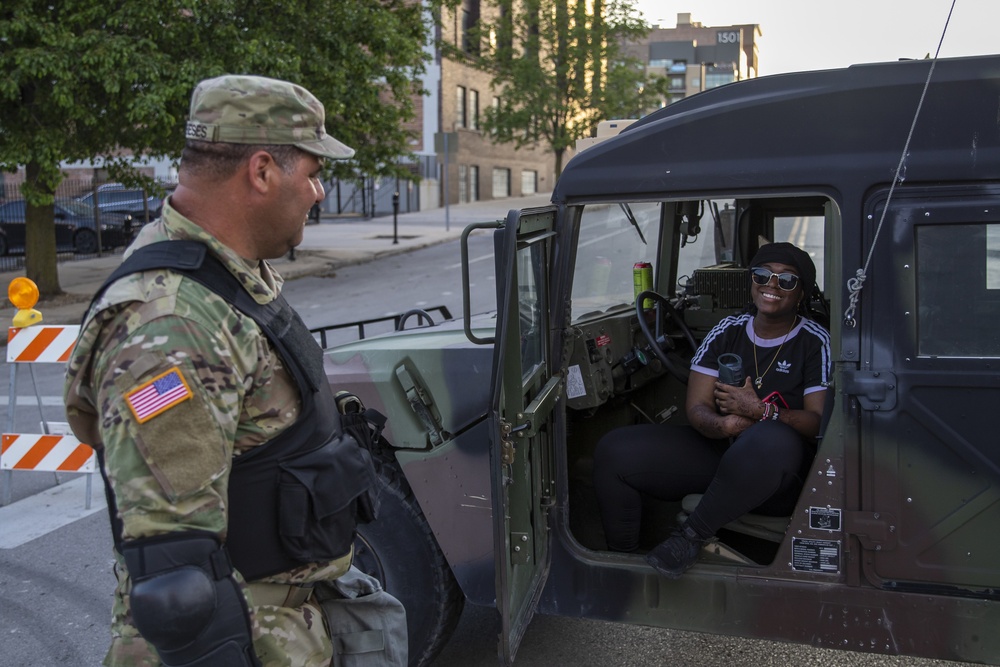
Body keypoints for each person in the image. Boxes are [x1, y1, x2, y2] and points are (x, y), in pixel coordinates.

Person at [64, 75, 377, 666]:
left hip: (283, 621)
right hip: (240, 639)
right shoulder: (171, 326)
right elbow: (176, 583)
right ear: (261, 172)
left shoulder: (224, 277)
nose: (318, 193)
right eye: (312, 173)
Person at [593, 241, 831, 579]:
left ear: (802, 291)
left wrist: (761, 411)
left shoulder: (814, 341)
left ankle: (689, 538)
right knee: (614, 451)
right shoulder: (727, 331)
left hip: (779, 476)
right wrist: (727, 426)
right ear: (751, 282)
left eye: (787, 280)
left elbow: (818, 423)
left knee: (771, 438)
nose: (772, 286)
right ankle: (622, 568)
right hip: (725, 451)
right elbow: (697, 408)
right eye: (762, 275)